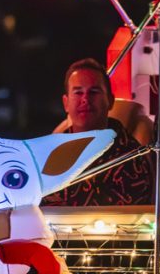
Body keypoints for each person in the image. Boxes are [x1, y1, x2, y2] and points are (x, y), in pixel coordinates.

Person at [43, 58, 152, 207]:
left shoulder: (131, 159)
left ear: (110, 101)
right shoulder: (47, 154)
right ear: (66, 103)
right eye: (78, 92)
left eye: (94, 92)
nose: (85, 99)